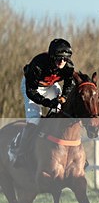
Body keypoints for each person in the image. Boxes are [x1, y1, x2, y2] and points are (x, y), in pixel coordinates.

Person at [10, 38, 78, 167]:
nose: (62, 62)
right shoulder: (38, 65)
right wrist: (47, 102)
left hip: (50, 86)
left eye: (65, 59)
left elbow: (69, 84)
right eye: (59, 58)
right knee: (34, 120)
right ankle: (21, 152)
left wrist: (63, 97)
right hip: (32, 88)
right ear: (52, 57)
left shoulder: (68, 66)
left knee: (61, 113)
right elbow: (31, 92)